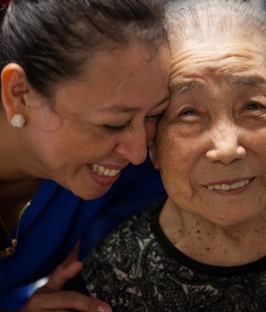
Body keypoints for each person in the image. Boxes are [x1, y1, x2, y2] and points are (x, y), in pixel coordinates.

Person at [64, 1, 266, 311]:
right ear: (151, 142)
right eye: (189, 113)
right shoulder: (105, 280)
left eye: (253, 107)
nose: (226, 149)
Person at [0, 0, 170, 311]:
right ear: (19, 93)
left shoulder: (137, 169)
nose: (136, 153)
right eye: (113, 124)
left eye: (154, 115)